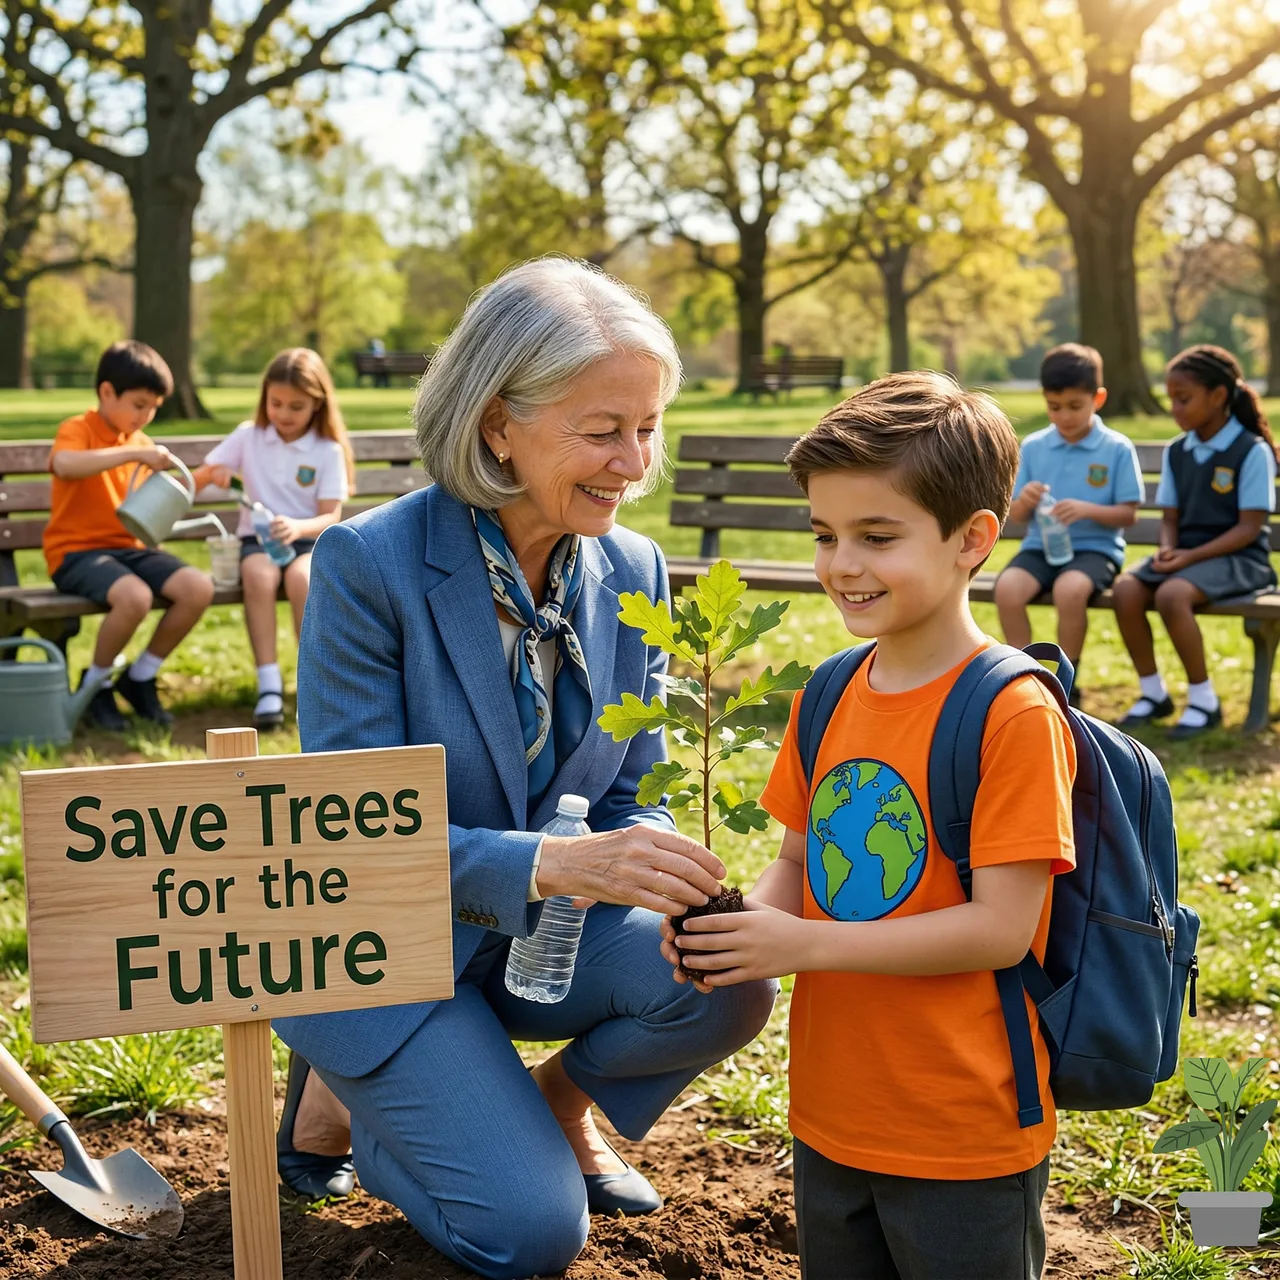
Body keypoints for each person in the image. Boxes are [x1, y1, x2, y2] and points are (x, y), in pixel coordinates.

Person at [271, 258, 777, 1280]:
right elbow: (352, 835)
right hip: (386, 945)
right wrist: (559, 866)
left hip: (543, 939)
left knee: (727, 982)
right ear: (497, 421)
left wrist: (659, 852)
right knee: (531, 1234)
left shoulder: (631, 568)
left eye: (647, 426)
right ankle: (368, 1109)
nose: (635, 461)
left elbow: (633, 784)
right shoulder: (367, 565)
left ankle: (551, 1107)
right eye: (603, 429)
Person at [664, 372, 1077, 1280]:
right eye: (824, 535)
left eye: (877, 537)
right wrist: (736, 932)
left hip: (961, 1126)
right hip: (831, 1108)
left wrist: (800, 943)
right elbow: (796, 861)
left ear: (973, 539)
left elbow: (1002, 930)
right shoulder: (828, 692)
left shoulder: (1010, 713)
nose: (842, 563)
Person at [43, 340, 215, 730]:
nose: (147, 416)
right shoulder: (79, 429)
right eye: (140, 405)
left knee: (197, 588)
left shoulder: (140, 443)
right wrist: (134, 455)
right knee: (134, 597)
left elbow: (157, 502)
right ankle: (95, 686)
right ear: (107, 392)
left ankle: (139, 678)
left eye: (154, 407)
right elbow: (66, 465)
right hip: (76, 553)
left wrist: (201, 478)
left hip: (128, 549)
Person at [1113, 344, 1278, 738]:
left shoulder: (1251, 451)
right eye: (1171, 399)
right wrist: (1169, 547)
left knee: (1172, 595)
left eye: (1183, 399)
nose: (1175, 408)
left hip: (1241, 559)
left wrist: (1187, 558)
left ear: (1218, 397)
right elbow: (1170, 518)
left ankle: (1204, 700)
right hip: (1187, 559)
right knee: (1125, 590)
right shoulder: (1177, 451)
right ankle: (1154, 694)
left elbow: (1249, 528)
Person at [193, 349, 353, 730]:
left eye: (296, 406)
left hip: (306, 539)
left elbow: (331, 516)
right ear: (265, 397)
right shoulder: (250, 437)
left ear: (318, 404)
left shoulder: (326, 450)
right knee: (260, 577)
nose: (283, 414)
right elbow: (201, 477)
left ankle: (311, 684)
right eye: (276, 403)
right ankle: (268, 683)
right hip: (257, 540)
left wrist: (297, 528)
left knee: (303, 580)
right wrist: (214, 476)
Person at [995, 344, 1142, 706]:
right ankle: (1024, 675)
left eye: (1075, 406)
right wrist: (1024, 502)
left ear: (1098, 398)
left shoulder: (1116, 448)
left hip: (1095, 550)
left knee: (1069, 590)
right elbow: (1015, 516)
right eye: (1054, 406)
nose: (1064, 416)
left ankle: (1066, 680)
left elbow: (1128, 514)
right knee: (1008, 589)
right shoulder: (1034, 446)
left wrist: (1088, 510)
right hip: (1040, 547)